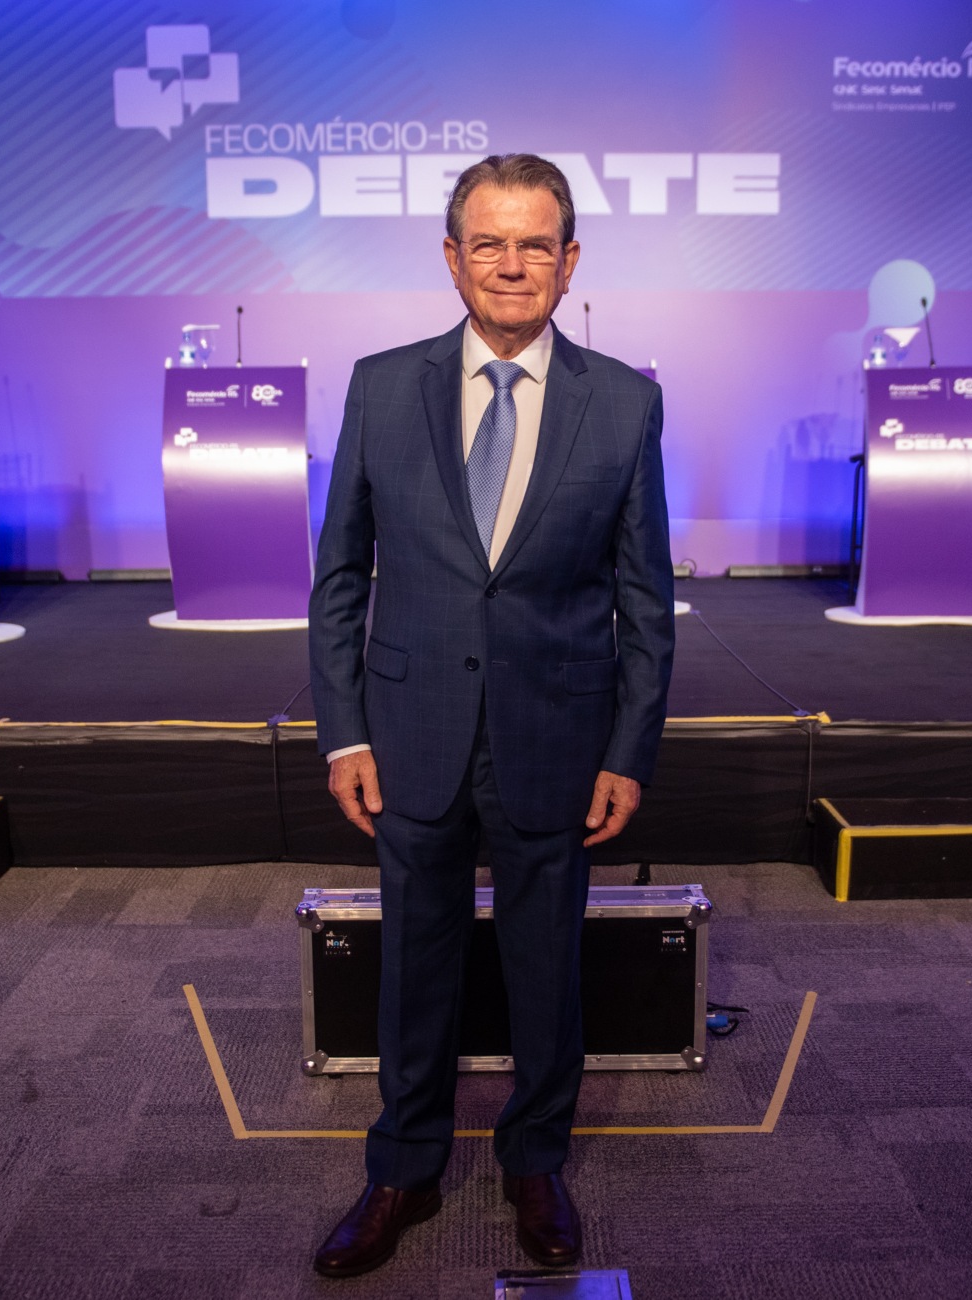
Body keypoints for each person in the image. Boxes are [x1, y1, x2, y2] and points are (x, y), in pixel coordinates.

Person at [306, 153, 674, 1278]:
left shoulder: (626, 401)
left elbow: (644, 596)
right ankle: (402, 1168)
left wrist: (628, 749)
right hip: (408, 734)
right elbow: (340, 577)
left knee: (544, 966)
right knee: (412, 963)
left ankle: (535, 1160)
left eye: (534, 245)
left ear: (569, 261)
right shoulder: (380, 386)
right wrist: (344, 730)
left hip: (557, 736)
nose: (511, 265)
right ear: (452, 256)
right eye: (488, 243)